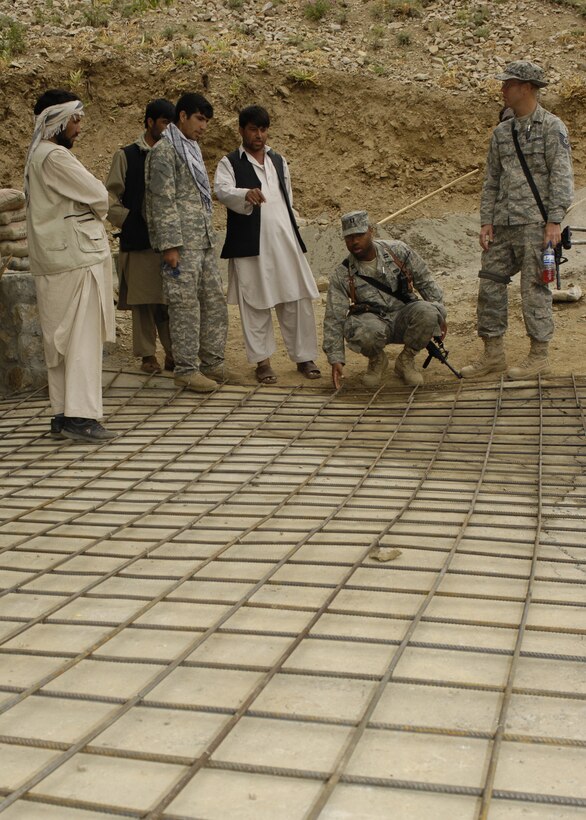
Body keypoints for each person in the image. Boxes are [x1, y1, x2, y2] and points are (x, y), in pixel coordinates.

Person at [462, 60, 574, 380]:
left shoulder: (552, 127)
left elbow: (562, 179)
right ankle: (493, 353)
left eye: (507, 84)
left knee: (534, 289)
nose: (502, 89)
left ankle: (539, 356)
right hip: (503, 224)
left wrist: (554, 222)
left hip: (536, 226)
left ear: (526, 88)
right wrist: (486, 221)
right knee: (490, 285)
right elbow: (491, 181)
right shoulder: (501, 132)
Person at [25, 88, 117, 442]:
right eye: (75, 120)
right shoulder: (54, 157)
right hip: (75, 260)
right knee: (80, 340)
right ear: (57, 121)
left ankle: (63, 414)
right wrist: (92, 207)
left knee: (60, 343)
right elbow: (98, 194)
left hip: (57, 259)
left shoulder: (38, 155)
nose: (79, 127)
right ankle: (81, 417)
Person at [214, 105, 320, 385]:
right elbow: (221, 191)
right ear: (241, 130)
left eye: (263, 129)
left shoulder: (278, 160)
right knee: (255, 302)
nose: (259, 135)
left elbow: (288, 198)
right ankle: (262, 362)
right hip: (251, 245)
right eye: (253, 129)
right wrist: (245, 194)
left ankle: (304, 357)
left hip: (284, 241)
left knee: (295, 298)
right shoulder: (229, 163)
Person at [145, 92, 228, 392]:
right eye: (199, 119)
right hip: (181, 246)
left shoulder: (190, 149)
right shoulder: (166, 152)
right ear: (182, 116)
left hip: (202, 242)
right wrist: (169, 246)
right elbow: (161, 200)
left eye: (206, 121)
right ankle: (186, 369)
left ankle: (212, 363)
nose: (204, 127)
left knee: (213, 303)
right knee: (185, 308)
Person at [323, 211, 447, 389]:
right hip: (373, 323)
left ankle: (406, 361)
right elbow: (334, 318)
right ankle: (377, 361)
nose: (355, 241)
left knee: (429, 312)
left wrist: (440, 315)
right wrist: (335, 359)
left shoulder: (398, 252)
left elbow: (425, 281)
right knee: (357, 329)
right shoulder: (343, 274)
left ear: (371, 231)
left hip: (405, 317)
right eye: (349, 237)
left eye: (359, 235)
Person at [106, 98, 175, 375]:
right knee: (145, 303)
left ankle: (174, 354)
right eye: (163, 122)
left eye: (172, 123)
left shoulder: (176, 154)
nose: (168, 129)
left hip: (169, 242)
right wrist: (130, 221)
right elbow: (109, 198)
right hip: (139, 242)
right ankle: (148, 356)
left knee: (170, 303)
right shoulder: (127, 155)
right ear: (149, 122)